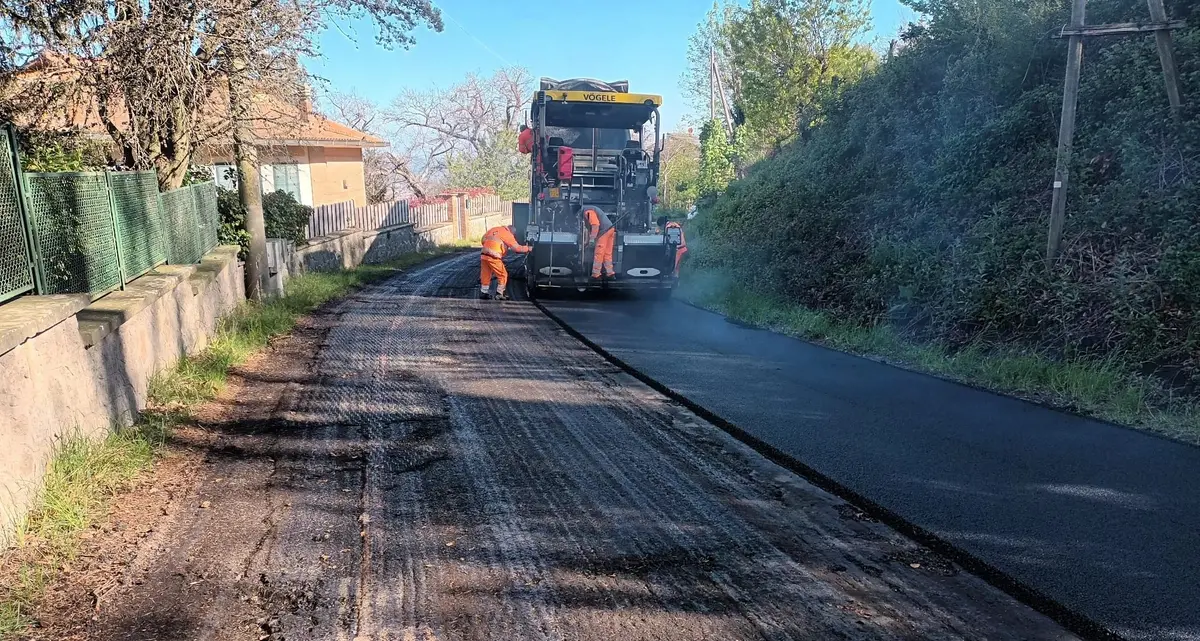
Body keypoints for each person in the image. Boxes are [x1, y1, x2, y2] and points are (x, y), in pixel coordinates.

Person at [480, 225, 530, 300]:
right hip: (494, 256)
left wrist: (488, 247)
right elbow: (517, 248)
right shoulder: (508, 234)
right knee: (503, 275)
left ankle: (483, 292)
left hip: (484, 254)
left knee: (486, 274)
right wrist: (528, 248)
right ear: (511, 231)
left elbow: (483, 239)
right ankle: (500, 293)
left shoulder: (494, 229)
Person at [584, 207, 616, 280]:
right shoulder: (591, 210)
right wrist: (588, 241)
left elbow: (595, 225)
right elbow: (591, 228)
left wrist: (592, 239)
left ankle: (596, 275)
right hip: (610, 229)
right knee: (607, 253)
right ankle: (610, 274)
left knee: (599, 253)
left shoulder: (587, 212)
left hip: (604, 231)